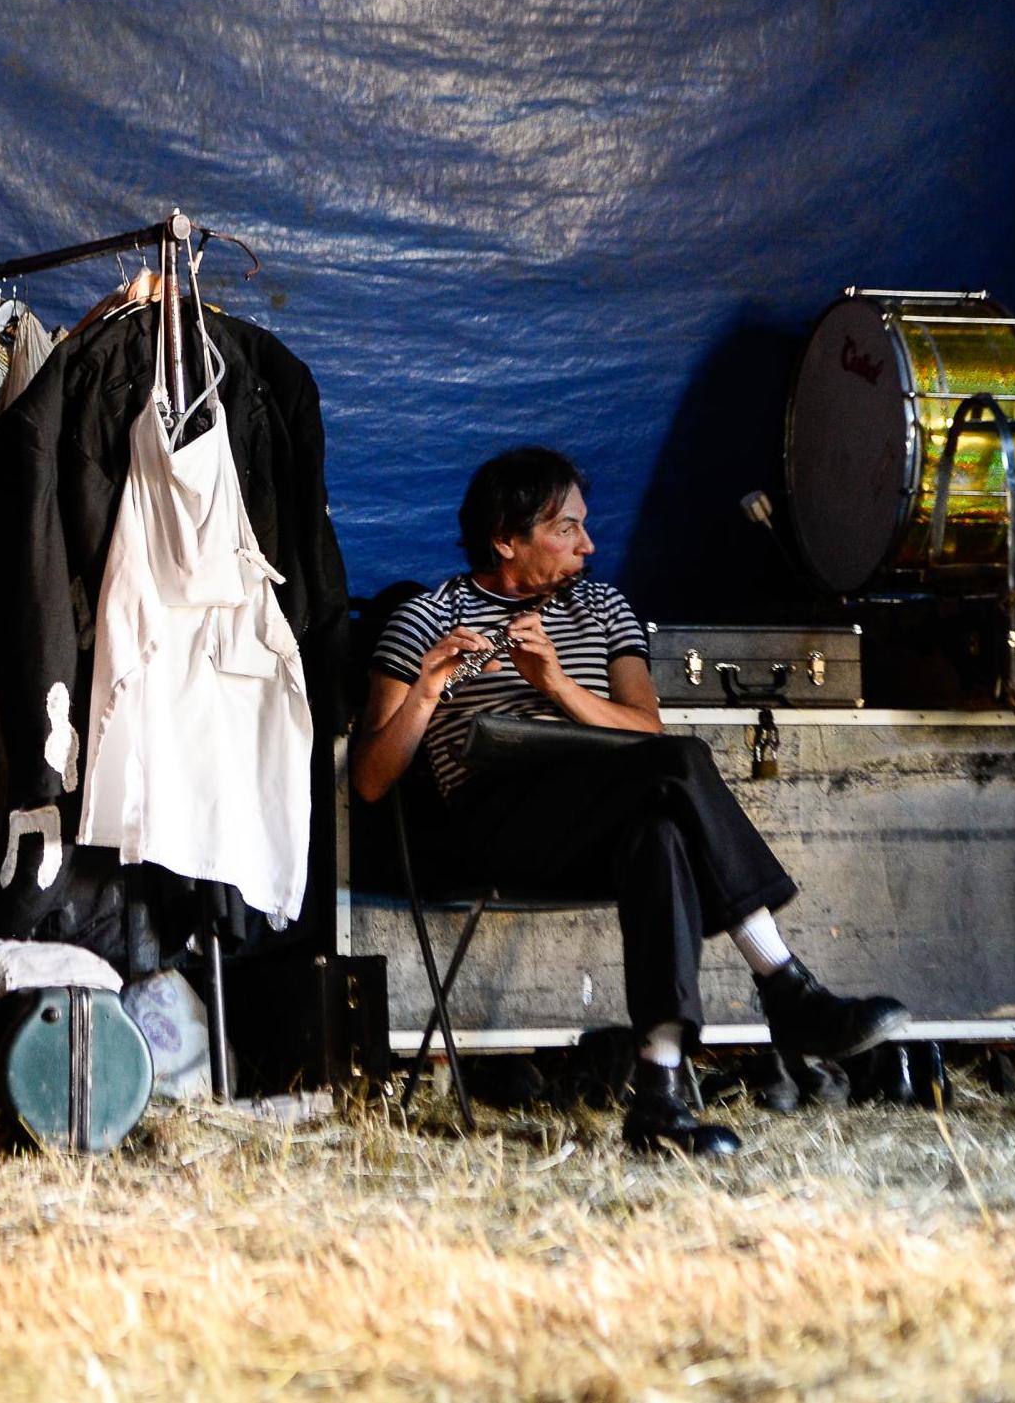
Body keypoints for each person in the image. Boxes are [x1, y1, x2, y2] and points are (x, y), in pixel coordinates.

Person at [354, 446, 908, 1157]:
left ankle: (658, 1098)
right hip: (495, 830)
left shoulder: (604, 606)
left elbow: (645, 729)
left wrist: (555, 686)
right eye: (565, 528)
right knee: (670, 776)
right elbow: (370, 779)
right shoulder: (427, 618)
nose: (587, 543)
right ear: (505, 538)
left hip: (600, 820)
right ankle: (784, 986)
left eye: (584, 526)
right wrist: (430, 689)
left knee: (660, 832)